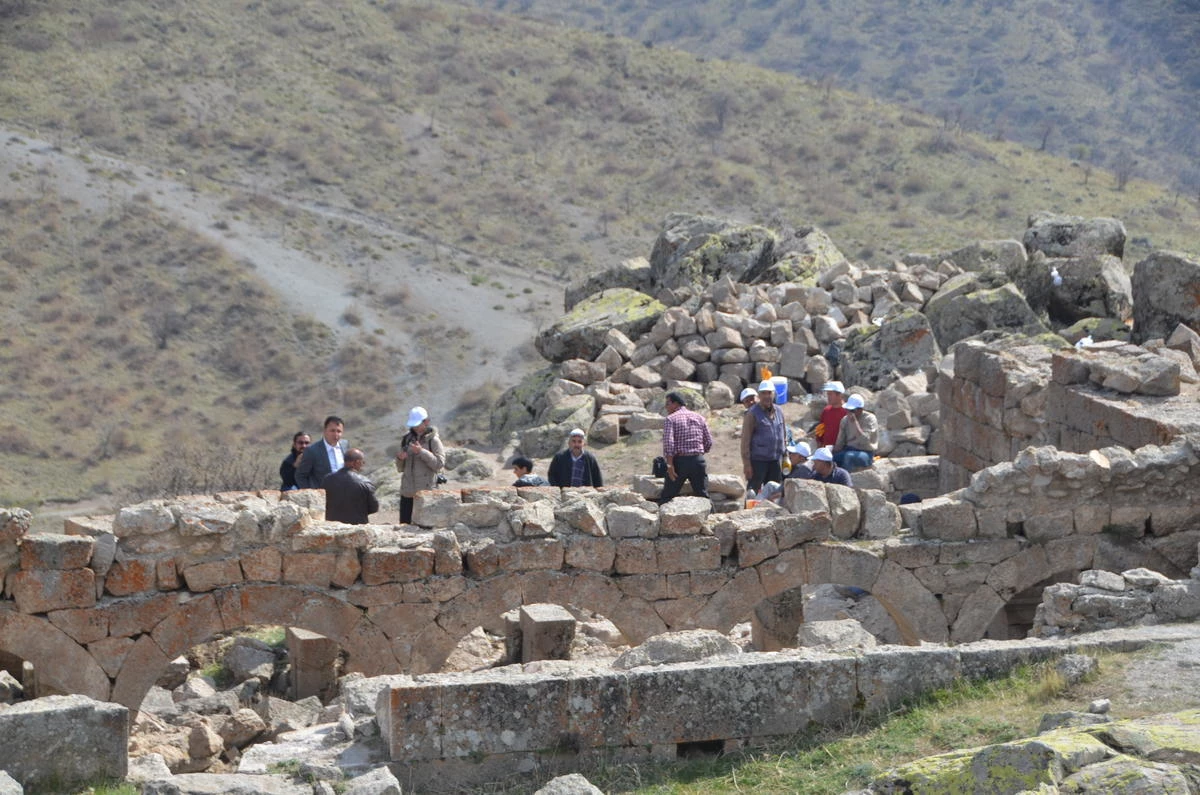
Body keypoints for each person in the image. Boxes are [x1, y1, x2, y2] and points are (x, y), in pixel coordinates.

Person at [659, 391, 713, 503]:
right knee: (703, 495)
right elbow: (708, 441)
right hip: (698, 461)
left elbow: (669, 442)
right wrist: (699, 453)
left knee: (667, 496)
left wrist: (669, 464)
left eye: (668, 403)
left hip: (679, 462)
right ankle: (713, 518)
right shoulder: (699, 418)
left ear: (676, 404)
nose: (666, 407)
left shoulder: (671, 419)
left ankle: (662, 519)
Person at [395, 406, 445, 524]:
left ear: (426, 422)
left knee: (425, 527)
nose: (416, 427)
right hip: (407, 492)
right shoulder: (407, 439)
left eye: (418, 424)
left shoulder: (434, 441)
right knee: (404, 526)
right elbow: (400, 468)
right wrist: (400, 459)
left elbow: (439, 464)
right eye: (414, 425)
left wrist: (421, 452)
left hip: (426, 492)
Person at [741, 380, 786, 492]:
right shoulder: (752, 414)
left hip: (775, 460)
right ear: (759, 395)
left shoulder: (779, 411)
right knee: (753, 492)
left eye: (769, 393)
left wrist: (786, 455)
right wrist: (747, 464)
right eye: (763, 393)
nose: (767, 396)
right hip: (758, 461)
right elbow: (745, 441)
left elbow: (783, 434)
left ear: (774, 394)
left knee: (774, 492)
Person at [321, 448, 379, 524]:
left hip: (333, 527)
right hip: (357, 527)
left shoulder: (327, 480)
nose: (362, 464)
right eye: (362, 462)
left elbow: (322, 502)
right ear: (356, 462)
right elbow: (374, 507)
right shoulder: (365, 482)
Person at [295, 416, 348, 489]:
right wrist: (312, 494)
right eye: (332, 430)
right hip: (323, 495)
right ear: (325, 431)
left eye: (339, 431)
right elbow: (300, 476)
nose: (335, 434)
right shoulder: (312, 451)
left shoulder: (345, 445)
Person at [833, 394, 879, 471]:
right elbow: (840, 442)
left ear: (860, 409)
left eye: (852, 411)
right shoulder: (845, 420)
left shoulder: (870, 419)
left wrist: (855, 423)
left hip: (865, 452)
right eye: (848, 410)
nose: (849, 413)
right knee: (832, 459)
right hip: (848, 449)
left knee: (849, 456)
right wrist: (832, 452)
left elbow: (864, 440)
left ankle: (847, 480)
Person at [816, 381, 848, 447]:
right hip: (827, 450)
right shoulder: (826, 410)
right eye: (828, 394)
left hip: (842, 450)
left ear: (840, 395)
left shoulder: (847, 412)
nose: (828, 397)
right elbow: (821, 429)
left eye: (830, 394)